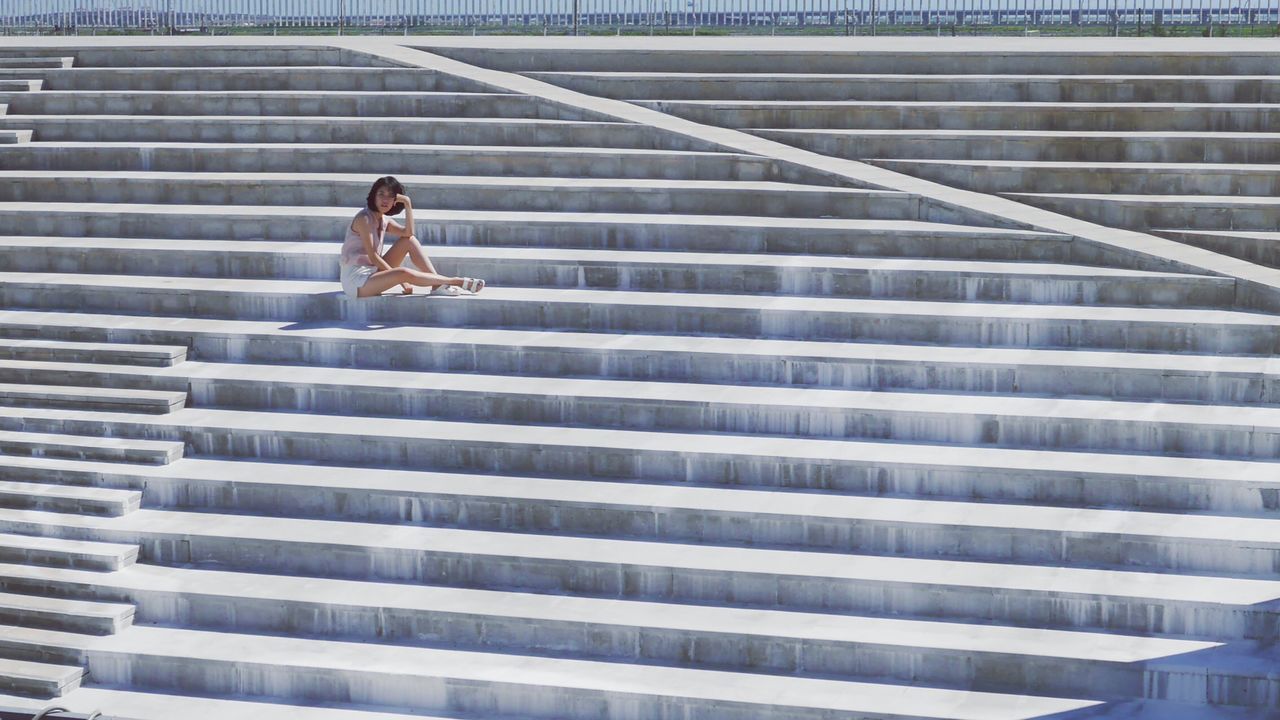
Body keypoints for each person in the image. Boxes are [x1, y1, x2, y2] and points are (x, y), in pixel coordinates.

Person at [339, 176, 484, 299]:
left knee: (408, 241)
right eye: (381, 194)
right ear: (373, 196)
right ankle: (456, 281)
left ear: (395, 200)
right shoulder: (364, 219)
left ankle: (437, 285)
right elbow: (373, 256)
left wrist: (407, 204)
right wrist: (401, 281)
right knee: (403, 273)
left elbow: (408, 233)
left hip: (373, 272)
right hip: (356, 281)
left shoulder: (383, 220)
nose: (385, 199)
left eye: (390, 196)